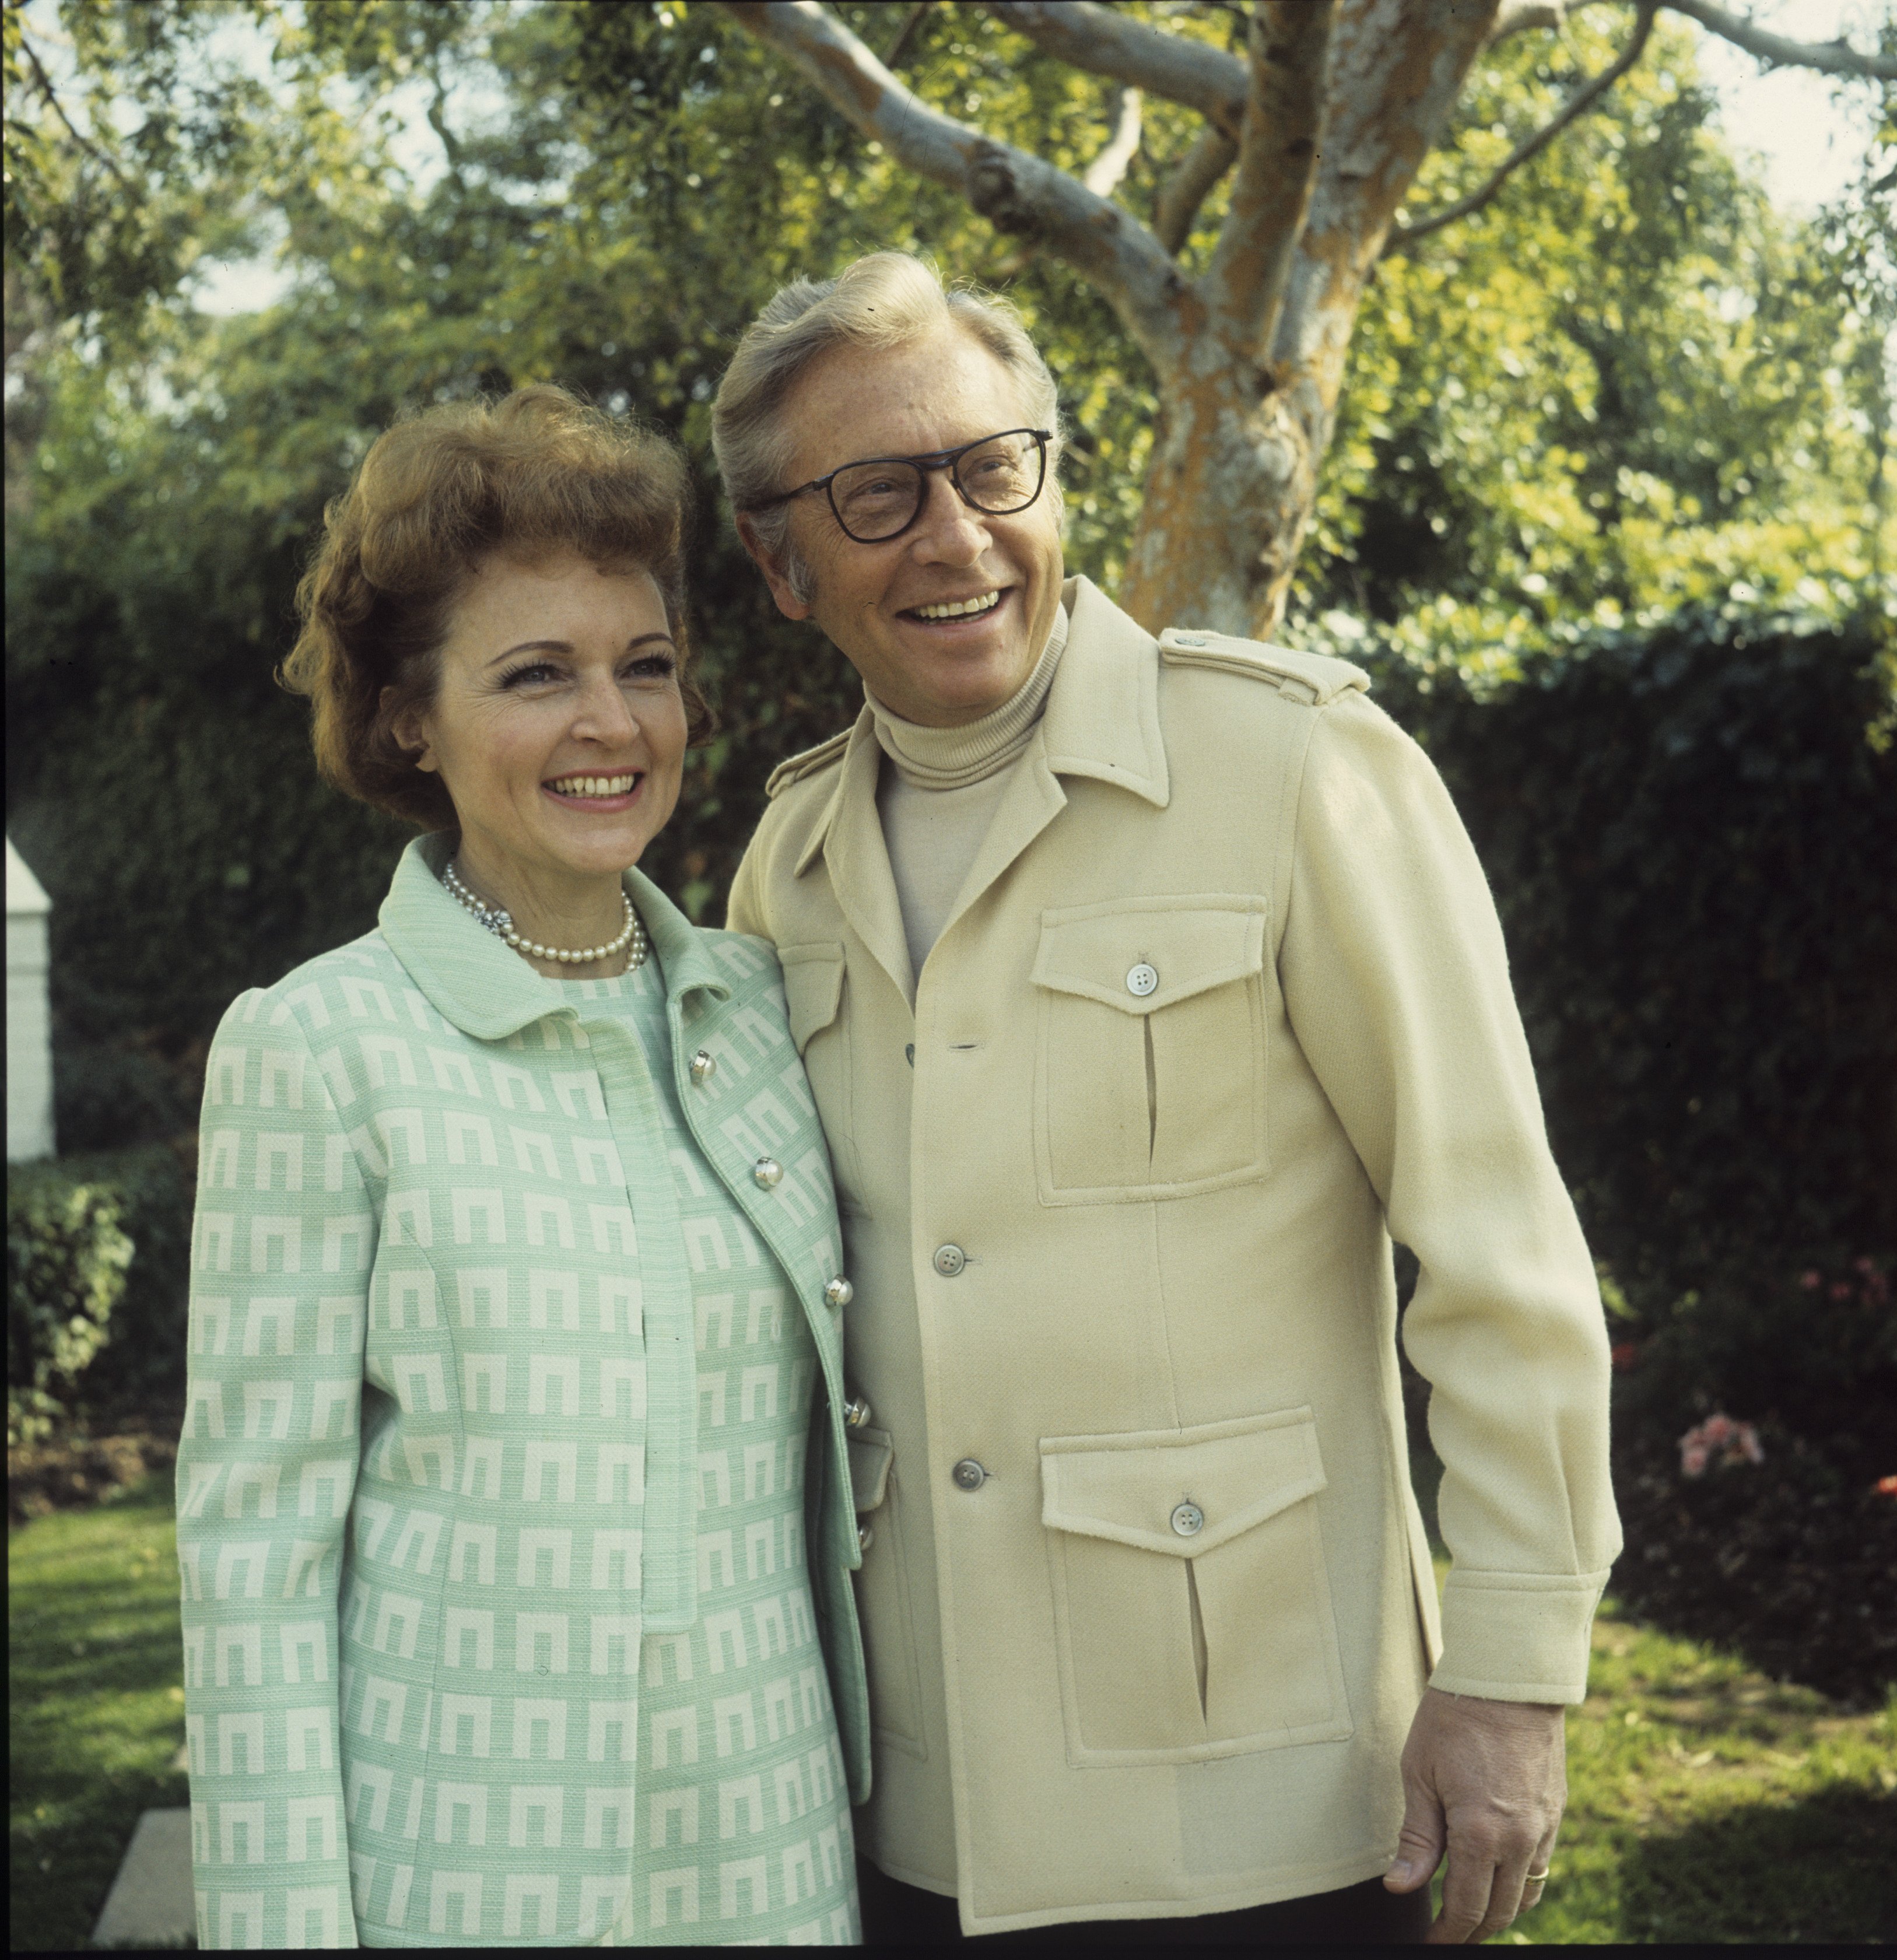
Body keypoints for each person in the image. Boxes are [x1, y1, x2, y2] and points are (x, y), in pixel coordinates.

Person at [713, 254, 1621, 1945]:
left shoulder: (1292, 768)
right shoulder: (787, 861)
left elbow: (1495, 1245)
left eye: (995, 466)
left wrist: (1508, 1667)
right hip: (919, 1806)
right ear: (782, 560)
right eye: (877, 493)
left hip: (1261, 1793)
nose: (956, 534)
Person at [176, 385, 868, 1948]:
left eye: (645, 666)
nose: (610, 723)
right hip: (464, 1881)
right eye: (535, 674)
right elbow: (253, 1573)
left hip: (772, 1862)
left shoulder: (761, 1012)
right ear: (411, 715)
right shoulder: (318, 1047)